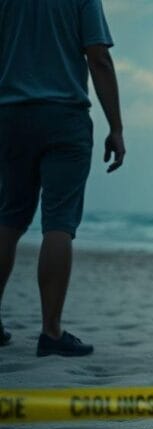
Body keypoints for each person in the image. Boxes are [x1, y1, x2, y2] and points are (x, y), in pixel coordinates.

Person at [0, 0, 126, 356]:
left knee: (8, 217)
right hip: (64, 115)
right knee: (59, 221)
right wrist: (116, 126)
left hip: (10, 114)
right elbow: (98, 57)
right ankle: (51, 331)